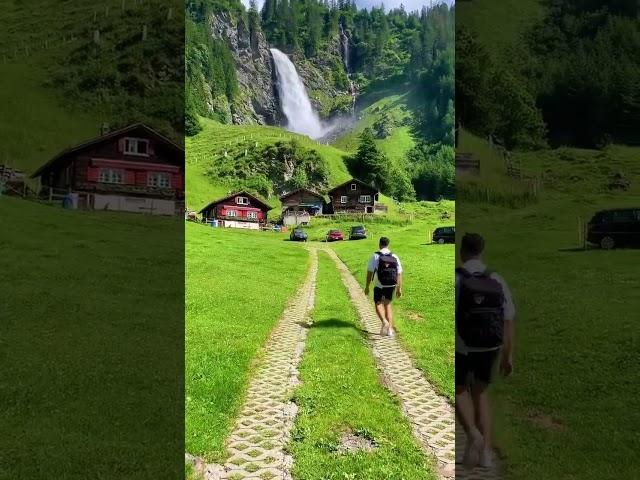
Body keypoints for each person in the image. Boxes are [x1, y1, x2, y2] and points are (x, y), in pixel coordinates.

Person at [455, 233, 515, 469]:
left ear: (462, 252)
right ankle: (487, 453)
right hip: (491, 346)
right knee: (480, 393)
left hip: (463, 346)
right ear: (481, 252)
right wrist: (508, 355)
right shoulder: (496, 279)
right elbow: (508, 319)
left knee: (459, 390)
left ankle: (473, 434)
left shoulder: (458, 279)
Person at [364, 237, 403, 337]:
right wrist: (399, 288)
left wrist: (367, 286)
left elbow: (370, 272)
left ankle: (384, 322)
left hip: (379, 285)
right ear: (388, 244)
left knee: (378, 304)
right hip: (391, 285)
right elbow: (399, 273)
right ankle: (390, 330)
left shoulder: (376, 256)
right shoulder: (394, 256)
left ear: (379, 244)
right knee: (388, 304)